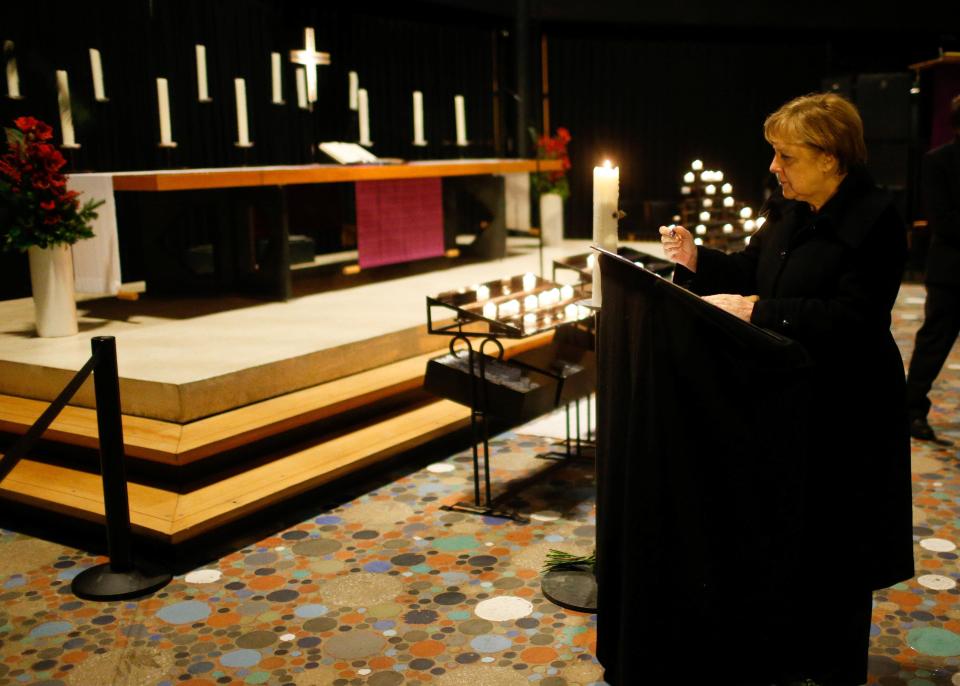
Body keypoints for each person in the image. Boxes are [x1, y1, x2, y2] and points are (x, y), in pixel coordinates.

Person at [659, 92, 914, 685]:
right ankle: (791, 652)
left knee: (840, 546)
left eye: (786, 155)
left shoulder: (875, 220)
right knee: (793, 532)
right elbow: (753, 269)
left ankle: (836, 669)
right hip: (790, 399)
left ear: (830, 158)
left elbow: (856, 316)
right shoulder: (789, 209)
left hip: (850, 406)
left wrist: (759, 311)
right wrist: (700, 260)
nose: (774, 167)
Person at [905, 94, 960, 443]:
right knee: (934, 344)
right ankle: (911, 410)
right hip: (953, 271)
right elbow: (944, 220)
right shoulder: (938, 161)